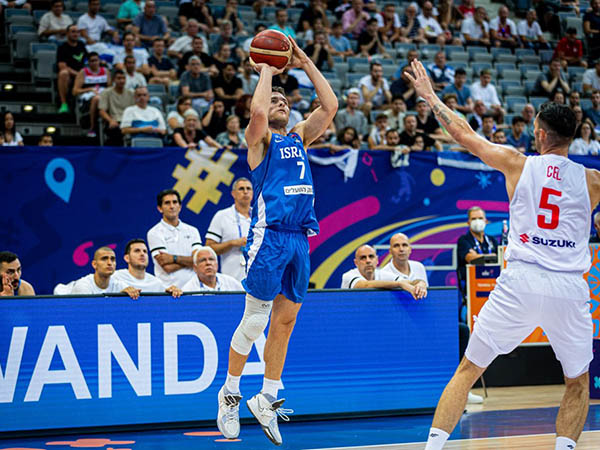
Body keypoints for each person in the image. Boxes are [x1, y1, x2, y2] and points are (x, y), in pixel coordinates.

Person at [409, 59, 600, 450]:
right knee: (578, 381)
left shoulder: (518, 163)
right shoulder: (592, 181)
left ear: (541, 134)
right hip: (569, 287)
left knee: (467, 370)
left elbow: (464, 134)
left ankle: (433, 448)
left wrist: (430, 97)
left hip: (521, 280)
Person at [216, 37, 338, 446]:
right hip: (268, 239)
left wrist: (302, 60)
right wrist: (266, 68)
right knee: (254, 322)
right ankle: (229, 394)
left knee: (284, 324)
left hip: (300, 240)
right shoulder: (260, 143)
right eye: (276, 100)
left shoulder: (300, 138)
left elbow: (331, 105)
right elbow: (255, 111)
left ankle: (267, 396)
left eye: (286, 99)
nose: (281, 102)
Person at [147, 189, 203, 289]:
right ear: (160, 208)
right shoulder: (154, 233)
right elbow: (167, 267)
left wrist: (174, 258)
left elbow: (199, 260)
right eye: (167, 203)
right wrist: (191, 261)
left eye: (175, 202)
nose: (172, 206)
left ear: (180, 207)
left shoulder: (192, 231)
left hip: (193, 289)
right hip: (167, 290)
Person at [205, 178, 252, 282]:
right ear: (233, 193)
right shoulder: (222, 216)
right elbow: (208, 248)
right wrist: (233, 243)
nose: (245, 192)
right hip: (231, 279)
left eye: (248, 188)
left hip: (256, 279)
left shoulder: (259, 217)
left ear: (253, 193)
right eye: (241, 189)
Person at [341, 244, 425, 294]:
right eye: (363, 258)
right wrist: (399, 284)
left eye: (371, 257)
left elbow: (409, 282)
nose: (368, 261)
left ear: (377, 260)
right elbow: (365, 285)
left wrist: (421, 283)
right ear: (356, 262)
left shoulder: (383, 274)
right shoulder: (348, 276)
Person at [113, 239, 183, 297]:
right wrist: (121, 293)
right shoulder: (115, 277)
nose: (142, 254)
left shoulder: (156, 282)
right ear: (127, 258)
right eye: (137, 251)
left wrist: (174, 291)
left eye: (145, 251)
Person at [71, 247, 140, 299]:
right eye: (104, 259)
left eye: (112, 259)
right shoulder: (82, 286)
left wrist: (130, 293)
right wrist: (118, 299)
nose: (109, 263)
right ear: (94, 264)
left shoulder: (119, 285)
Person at [72, 51, 110, 138]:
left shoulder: (105, 71)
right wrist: (89, 89)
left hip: (103, 96)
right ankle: (92, 127)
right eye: (92, 61)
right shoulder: (83, 72)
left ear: (99, 61)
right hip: (87, 98)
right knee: (96, 99)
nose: (94, 63)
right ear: (88, 62)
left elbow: (110, 88)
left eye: (96, 60)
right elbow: (74, 91)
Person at [57, 25, 88, 114]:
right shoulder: (63, 47)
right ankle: (64, 104)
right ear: (67, 33)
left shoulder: (81, 45)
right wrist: (78, 75)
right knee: (63, 73)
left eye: (78, 32)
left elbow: (88, 60)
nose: (76, 34)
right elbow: (62, 66)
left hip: (82, 74)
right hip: (71, 75)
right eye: (73, 32)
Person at [99, 69, 135, 146]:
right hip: (114, 121)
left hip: (129, 122)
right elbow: (102, 110)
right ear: (113, 80)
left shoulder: (131, 93)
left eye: (123, 78)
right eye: (119, 78)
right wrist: (110, 120)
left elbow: (134, 109)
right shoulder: (106, 93)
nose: (122, 81)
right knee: (115, 131)